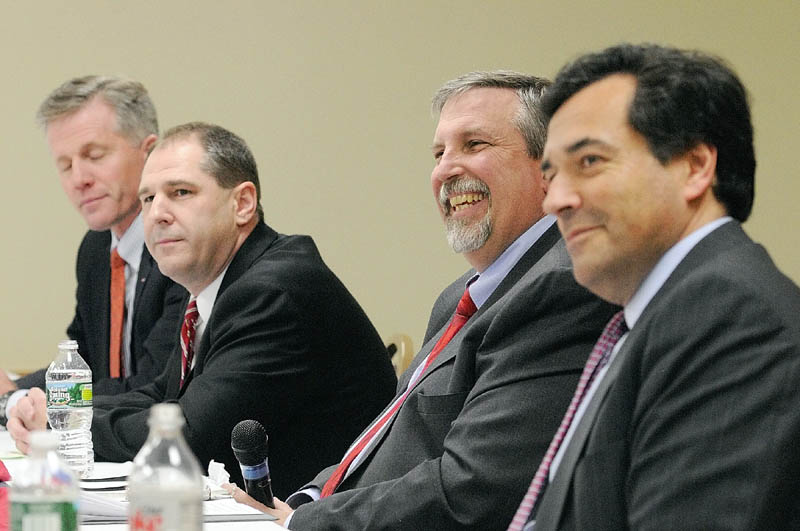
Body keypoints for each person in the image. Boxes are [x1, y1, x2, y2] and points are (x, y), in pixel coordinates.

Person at [229, 71, 617, 529]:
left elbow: (476, 488)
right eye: (439, 153)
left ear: (549, 169)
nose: (446, 170)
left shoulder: (560, 288)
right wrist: (305, 501)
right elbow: (393, 442)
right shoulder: (462, 294)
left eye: (475, 145)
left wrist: (304, 523)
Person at [7, 122, 397, 497]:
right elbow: (162, 396)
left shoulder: (272, 291)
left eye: (180, 192)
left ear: (242, 203)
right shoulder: (215, 285)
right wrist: (62, 409)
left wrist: (65, 425)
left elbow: (188, 437)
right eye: (148, 198)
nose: (156, 214)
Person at [508, 43, 800, 531]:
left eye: (590, 162)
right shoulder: (656, 316)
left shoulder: (730, 315)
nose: (555, 200)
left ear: (694, 166)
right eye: (551, 174)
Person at [0, 76, 186, 427]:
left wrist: (20, 399)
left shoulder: (179, 245)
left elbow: (154, 386)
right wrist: (16, 392)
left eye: (94, 155)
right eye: (65, 164)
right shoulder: (97, 248)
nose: (79, 178)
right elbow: (81, 364)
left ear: (149, 152)